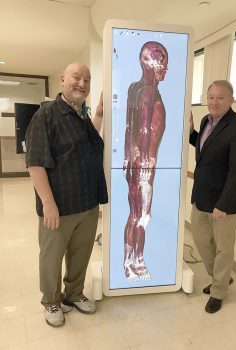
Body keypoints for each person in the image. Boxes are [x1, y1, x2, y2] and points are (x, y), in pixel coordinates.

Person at [25, 62, 108, 327]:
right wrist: (48, 204)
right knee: (51, 257)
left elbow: (87, 143)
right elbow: (35, 163)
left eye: (87, 79)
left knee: (80, 255)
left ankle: (73, 294)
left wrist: (98, 114)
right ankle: (51, 301)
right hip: (58, 207)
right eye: (76, 77)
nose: (82, 83)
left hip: (87, 203)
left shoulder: (81, 115)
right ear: (63, 80)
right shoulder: (47, 115)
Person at [189, 80, 236, 313]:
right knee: (202, 241)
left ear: (231, 100)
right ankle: (221, 277)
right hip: (201, 198)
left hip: (224, 203)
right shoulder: (207, 120)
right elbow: (205, 148)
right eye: (211, 97)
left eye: (220, 97)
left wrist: (223, 204)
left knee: (223, 248)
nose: (214, 102)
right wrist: (191, 133)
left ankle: (219, 290)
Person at [123, 41, 168, 281]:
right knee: (142, 217)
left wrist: (128, 157)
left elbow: (130, 125)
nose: (165, 67)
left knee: (134, 214)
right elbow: (144, 130)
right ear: (148, 62)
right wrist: (144, 162)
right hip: (144, 166)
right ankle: (137, 262)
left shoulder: (134, 88)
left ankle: (128, 262)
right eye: (160, 61)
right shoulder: (150, 92)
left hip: (135, 162)